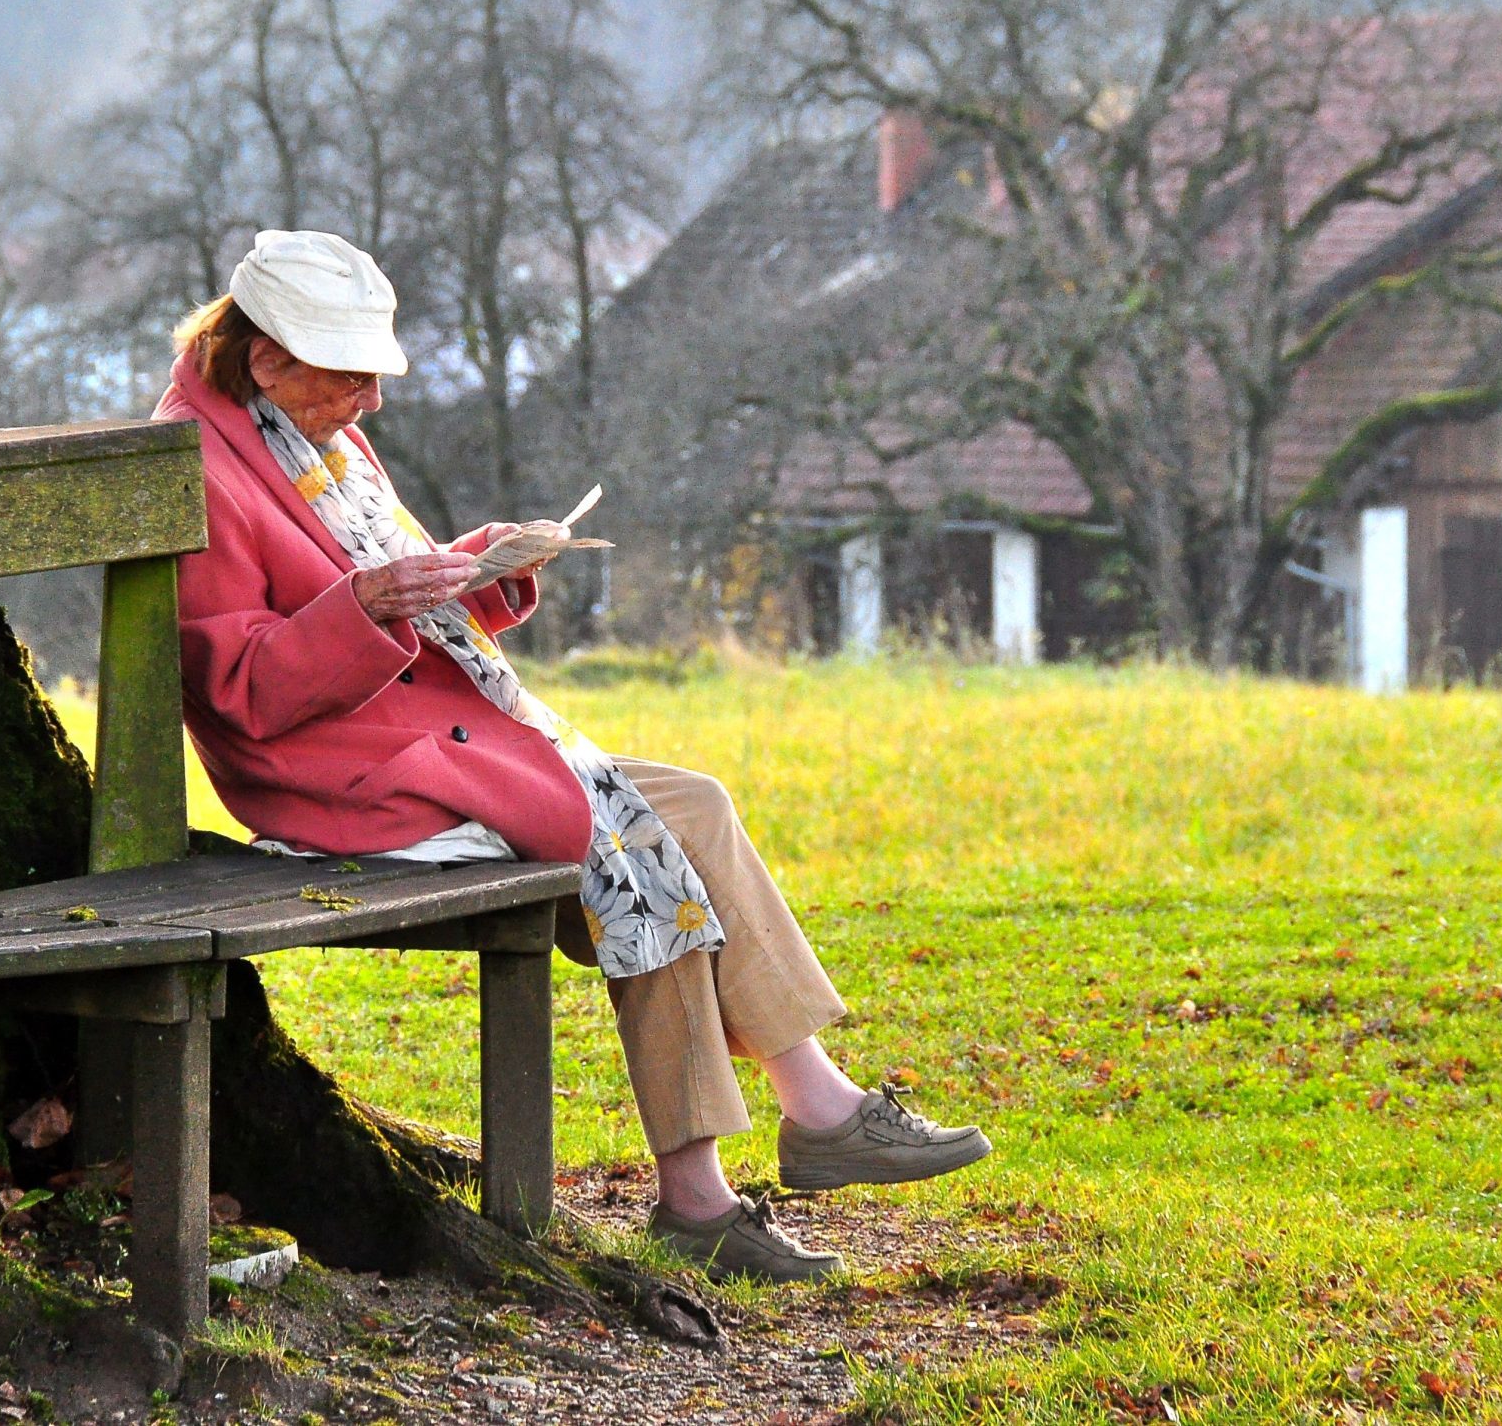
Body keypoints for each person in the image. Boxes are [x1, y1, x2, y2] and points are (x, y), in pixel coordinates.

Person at [158, 229, 990, 1282]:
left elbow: (392, 596)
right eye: (351, 374)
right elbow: (247, 689)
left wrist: (478, 567)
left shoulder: (305, 430)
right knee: (636, 828)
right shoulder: (195, 460)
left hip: (419, 738)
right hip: (344, 782)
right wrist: (366, 605)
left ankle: (789, 1121)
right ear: (268, 358)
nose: (370, 400)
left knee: (685, 807)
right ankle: (735, 1171)